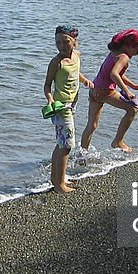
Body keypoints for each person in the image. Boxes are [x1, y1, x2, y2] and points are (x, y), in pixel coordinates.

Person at [44, 25, 93, 193]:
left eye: (66, 42)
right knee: (67, 145)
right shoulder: (56, 62)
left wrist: (85, 80)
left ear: (75, 42)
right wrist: (49, 98)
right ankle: (60, 184)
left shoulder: (76, 56)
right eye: (58, 42)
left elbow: (75, 72)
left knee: (61, 143)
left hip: (73, 104)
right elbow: (47, 85)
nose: (62, 46)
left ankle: (55, 178)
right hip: (60, 107)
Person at [81, 28, 138, 153]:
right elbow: (114, 74)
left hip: (94, 90)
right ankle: (118, 141)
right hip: (106, 91)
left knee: (92, 125)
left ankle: (82, 154)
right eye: (137, 49)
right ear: (128, 45)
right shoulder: (124, 57)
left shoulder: (114, 53)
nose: (137, 53)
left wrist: (133, 85)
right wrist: (127, 92)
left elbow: (117, 74)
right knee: (132, 110)